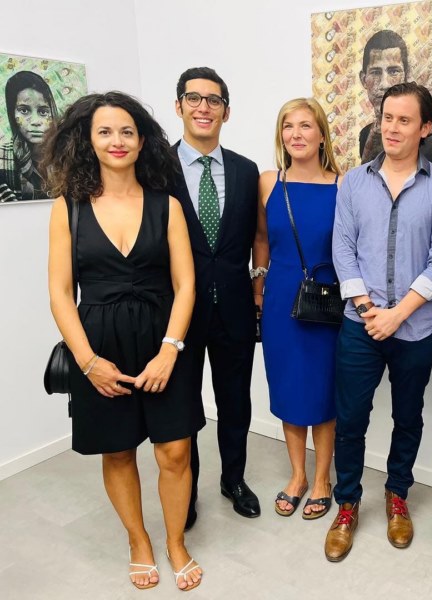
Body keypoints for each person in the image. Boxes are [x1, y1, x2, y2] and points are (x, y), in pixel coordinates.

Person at [44, 91, 203, 591]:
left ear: (142, 141)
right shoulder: (67, 208)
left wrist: (170, 350)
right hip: (98, 346)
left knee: (175, 451)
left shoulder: (167, 206)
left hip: (162, 341)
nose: (117, 140)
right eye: (105, 131)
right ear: (87, 141)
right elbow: (60, 293)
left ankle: (175, 541)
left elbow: (186, 285)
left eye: (127, 131)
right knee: (117, 452)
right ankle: (139, 541)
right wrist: (88, 362)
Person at [326, 82, 432, 562]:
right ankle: (347, 504)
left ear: (425, 128)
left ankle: (397, 494)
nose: (393, 128)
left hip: (414, 330)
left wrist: (397, 315)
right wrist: (369, 312)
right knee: (350, 420)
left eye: (405, 120)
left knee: (408, 417)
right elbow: (343, 249)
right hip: (359, 327)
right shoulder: (353, 182)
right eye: (388, 118)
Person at [170, 67, 265, 528]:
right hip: (179, 314)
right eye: (194, 98)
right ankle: (185, 493)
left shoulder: (247, 172)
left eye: (214, 100)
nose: (203, 107)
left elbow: (259, 237)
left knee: (235, 403)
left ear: (227, 111)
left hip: (234, 308)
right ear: (179, 107)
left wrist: (258, 285)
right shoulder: (156, 170)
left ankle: (234, 480)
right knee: (184, 408)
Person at [255, 98, 341, 519]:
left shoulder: (344, 184)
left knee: (323, 392)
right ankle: (298, 475)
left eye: (306, 125)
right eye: (288, 126)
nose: (296, 134)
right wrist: (258, 286)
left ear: (321, 134)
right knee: (289, 387)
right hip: (279, 301)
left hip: (326, 301)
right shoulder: (268, 181)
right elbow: (261, 239)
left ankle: (323, 479)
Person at [358, 29, 432, 174]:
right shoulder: (366, 135)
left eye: (393, 71)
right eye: (376, 72)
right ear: (363, 79)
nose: (385, 83)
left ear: (406, 75)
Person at [0, 71, 58, 201]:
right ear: (12, 114)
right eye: (24, 110)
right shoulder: (2, 158)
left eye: (43, 112)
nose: (35, 121)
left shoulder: (67, 157)